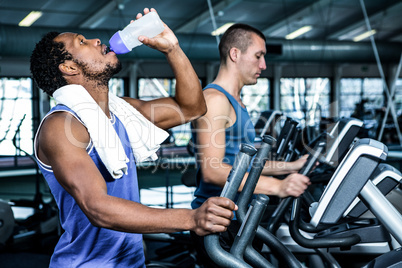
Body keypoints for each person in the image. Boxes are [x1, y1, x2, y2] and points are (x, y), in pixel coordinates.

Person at [30, 8, 237, 268]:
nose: (96, 41)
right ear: (69, 67)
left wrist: (172, 49)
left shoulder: (121, 111)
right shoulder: (61, 125)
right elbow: (97, 207)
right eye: (81, 42)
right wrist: (192, 218)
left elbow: (192, 108)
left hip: (131, 262)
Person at [190, 23, 311, 267]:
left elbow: (242, 163)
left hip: (238, 217)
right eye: (258, 56)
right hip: (218, 222)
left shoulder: (237, 103)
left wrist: (290, 166)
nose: (263, 65)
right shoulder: (214, 100)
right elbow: (213, 170)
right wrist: (277, 187)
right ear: (235, 54)